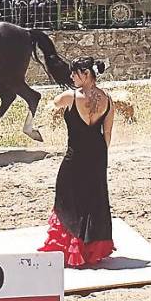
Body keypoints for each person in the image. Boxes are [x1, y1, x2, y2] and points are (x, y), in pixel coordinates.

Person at [39, 56, 115, 268]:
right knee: (93, 200)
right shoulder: (108, 99)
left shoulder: (70, 96)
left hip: (75, 155)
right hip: (98, 155)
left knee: (67, 198)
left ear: (86, 74)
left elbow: (51, 105)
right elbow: (107, 133)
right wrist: (99, 158)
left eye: (75, 73)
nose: (71, 76)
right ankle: (90, 249)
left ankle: (70, 246)